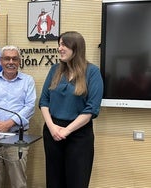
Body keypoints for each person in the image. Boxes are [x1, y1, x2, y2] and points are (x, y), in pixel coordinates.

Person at [39, 31, 103, 188]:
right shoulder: (55, 70)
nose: (59, 48)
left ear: (76, 48)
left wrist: (66, 131)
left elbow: (91, 109)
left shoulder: (92, 72)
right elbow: (43, 101)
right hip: (53, 133)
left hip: (79, 136)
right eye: (59, 44)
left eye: (63, 44)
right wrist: (52, 127)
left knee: (77, 181)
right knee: (54, 181)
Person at [0, 45, 36, 188]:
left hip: (16, 137)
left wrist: (8, 124)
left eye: (14, 58)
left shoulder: (28, 81)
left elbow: (29, 107)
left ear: (19, 61)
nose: (11, 62)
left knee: (18, 182)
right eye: (7, 58)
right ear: (0, 61)